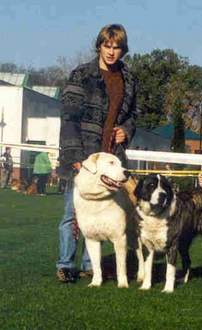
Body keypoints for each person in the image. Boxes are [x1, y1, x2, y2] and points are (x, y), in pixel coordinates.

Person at [56, 24, 138, 283]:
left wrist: (126, 130)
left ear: (123, 50)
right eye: (107, 46)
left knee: (105, 215)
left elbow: (133, 115)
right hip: (83, 157)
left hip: (112, 158)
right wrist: (75, 157)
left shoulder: (129, 79)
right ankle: (65, 265)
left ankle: (92, 266)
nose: (111, 52)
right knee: (72, 214)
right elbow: (69, 118)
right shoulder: (81, 75)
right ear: (99, 45)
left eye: (117, 47)